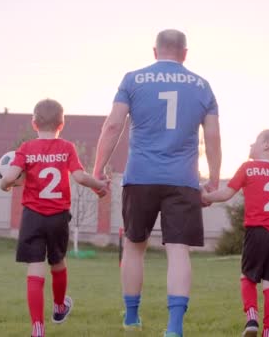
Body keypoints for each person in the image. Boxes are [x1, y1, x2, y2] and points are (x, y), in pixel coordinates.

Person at [93, 29, 222, 337]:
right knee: (178, 252)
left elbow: (113, 125)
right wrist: (214, 180)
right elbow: (214, 136)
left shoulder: (133, 79)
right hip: (184, 181)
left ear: (155, 51)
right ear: (185, 53)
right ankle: (174, 329)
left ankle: (132, 319)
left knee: (134, 247)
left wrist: (97, 168)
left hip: (141, 177)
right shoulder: (202, 86)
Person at [0, 99, 110, 337]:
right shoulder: (67, 147)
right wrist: (99, 186)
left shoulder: (26, 148)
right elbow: (80, 177)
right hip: (58, 217)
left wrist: (4, 184)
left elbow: (9, 177)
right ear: (62, 124)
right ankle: (59, 307)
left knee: (35, 269)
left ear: (34, 123)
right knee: (57, 262)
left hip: (32, 217)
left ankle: (38, 329)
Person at [201, 129, 269, 337]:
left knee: (248, 278)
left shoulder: (249, 168)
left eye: (255, 141)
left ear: (267, 145)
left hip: (258, 232)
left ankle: (251, 319)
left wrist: (205, 197)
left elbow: (226, 194)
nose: (250, 145)